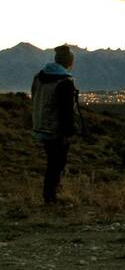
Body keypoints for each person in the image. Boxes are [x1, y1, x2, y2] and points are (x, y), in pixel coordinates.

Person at [31, 45, 81, 205]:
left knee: (52, 161)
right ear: (69, 62)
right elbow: (65, 112)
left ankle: (50, 195)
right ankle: (50, 197)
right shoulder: (64, 82)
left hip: (40, 125)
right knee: (57, 163)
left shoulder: (39, 77)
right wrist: (68, 133)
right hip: (55, 130)